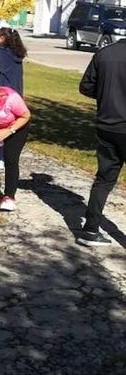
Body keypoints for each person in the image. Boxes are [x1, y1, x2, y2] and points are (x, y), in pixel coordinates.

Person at [77, 36, 126, 246]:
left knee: (104, 179)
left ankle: (90, 229)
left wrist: (107, 95)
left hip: (106, 125)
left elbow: (86, 86)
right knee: (104, 179)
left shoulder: (104, 53)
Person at [0, 85, 31, 213]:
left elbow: (26, 115)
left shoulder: (11, 98)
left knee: (11, 159)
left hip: (17, 126)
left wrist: (9, 130)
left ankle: (9, 197)